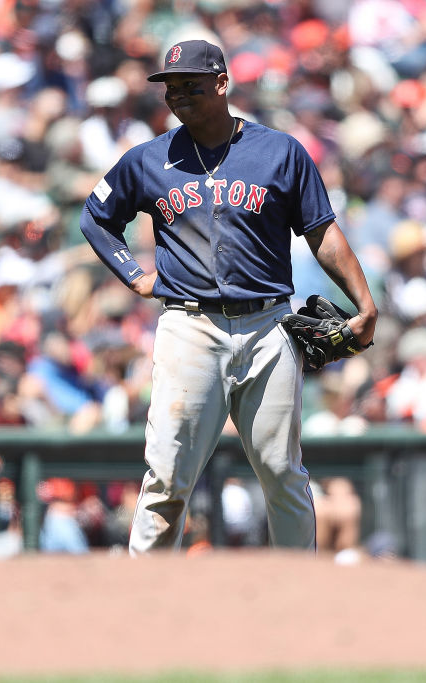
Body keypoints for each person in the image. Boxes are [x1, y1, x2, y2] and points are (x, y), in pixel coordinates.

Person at [79, 39, 378, 555]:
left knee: (283, 472)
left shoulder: (279, 152)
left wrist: (365, 303)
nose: (178, 96)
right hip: (189, 327)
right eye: (171, 88)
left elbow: (322, 232)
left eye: (190, 85)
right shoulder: (149, 158)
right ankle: (142, 593)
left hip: (268, 325)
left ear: (221, 83)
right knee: (167, 476)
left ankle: (298, 589)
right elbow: (97, 218)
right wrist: (135, 276)